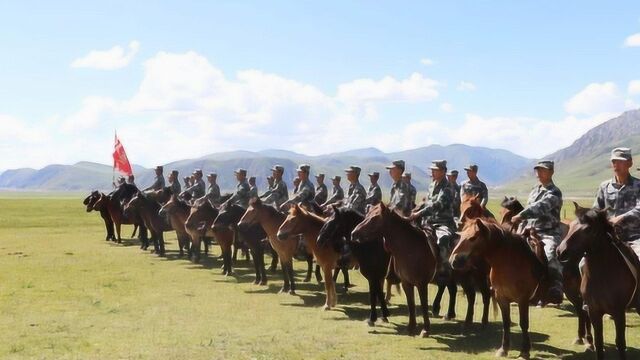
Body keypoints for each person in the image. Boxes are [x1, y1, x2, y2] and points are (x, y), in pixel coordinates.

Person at [511, 160, 564, 305]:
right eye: (538, 170)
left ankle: (556, 286)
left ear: (551, 172)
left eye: (543, 170)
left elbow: (540, 207)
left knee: (550, 253)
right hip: (529, 231)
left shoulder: (554, 192)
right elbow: (530, 206)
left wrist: (521, 215)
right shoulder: (535, 190)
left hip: (548, 233)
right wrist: (521, 226)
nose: (539, 173)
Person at [409, 160, 456, 275]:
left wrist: (419, 213)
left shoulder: (448, 188)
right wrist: (416, 210)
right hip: (428, 222)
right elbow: (428, 202)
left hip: (443, 223)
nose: (433, 172)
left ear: (443, 172)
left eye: (435, 170)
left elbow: (437, 205)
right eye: (432, 170)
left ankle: (444, 269)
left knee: (443, 239)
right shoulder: (431, 185)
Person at [593, 147, 640, 258]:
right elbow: (596, 209)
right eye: (614, 161)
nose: (616, 165)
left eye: (620, 161)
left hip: (634, 237)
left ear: (630, 163)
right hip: (608, 238)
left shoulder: (638, 185)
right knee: (583, 263)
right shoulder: (604, 186)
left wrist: (621, 218)